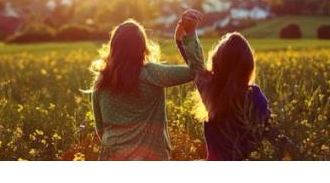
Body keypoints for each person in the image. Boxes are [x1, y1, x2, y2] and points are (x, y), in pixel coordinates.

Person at [90, 10, 204, 160]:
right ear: (143, 47)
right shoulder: (152, 74)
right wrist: (187, 36)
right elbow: (197, 71)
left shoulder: (100, 83)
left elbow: (101, 131)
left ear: (113, 48)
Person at [177, 32, 297, 160]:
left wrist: (184, 37)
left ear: (216, 62)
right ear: (248, 65)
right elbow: (272, 133)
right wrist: (299, 152)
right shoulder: (255, 96)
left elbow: (196, 65)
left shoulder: (210, 91)